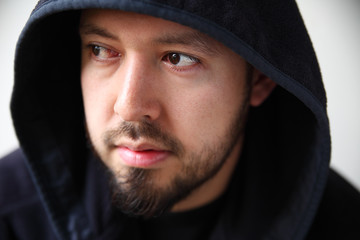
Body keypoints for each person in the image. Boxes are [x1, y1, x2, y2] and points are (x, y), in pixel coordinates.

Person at [1, 0, 359, 239]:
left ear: (261, 78)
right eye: (101, 50)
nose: (129, 107)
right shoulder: (9, 214)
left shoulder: (342, 223)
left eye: (179, 58)